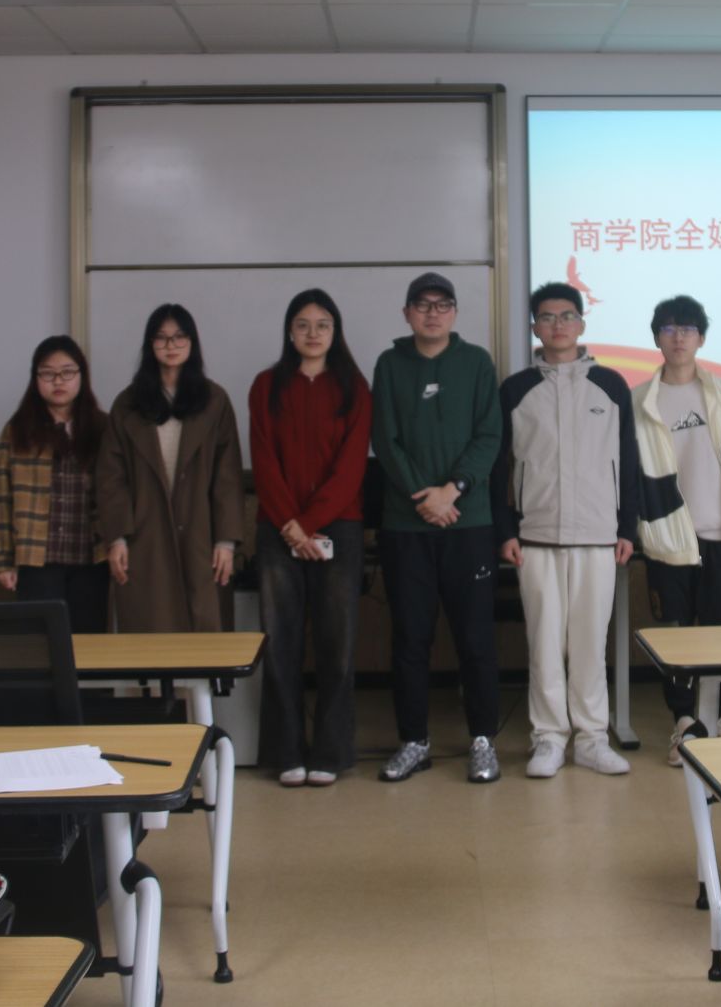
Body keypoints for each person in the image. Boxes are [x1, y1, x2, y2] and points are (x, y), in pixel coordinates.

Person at [495, 282, 641, 780]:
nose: (557, 325)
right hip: (535, 536)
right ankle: (549, 738)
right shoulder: (516, 389)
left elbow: (629, 459)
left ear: (581, 323)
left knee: (589, 644)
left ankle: (592, 738)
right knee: (544, 643)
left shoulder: (611, 385)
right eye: (547, 317)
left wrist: (627, 527)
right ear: (534, 327)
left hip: (599, 534)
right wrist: (505, 529)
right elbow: (499, 465)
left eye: (566, 316)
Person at [370, 272, 504, 784]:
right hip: (407, 525)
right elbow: (385, 438)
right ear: (407, 313)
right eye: (422, 304)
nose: (432, 312)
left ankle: (483, 740)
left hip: (469, 522)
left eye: (442, 304)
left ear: (455, 312)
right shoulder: (389, 364)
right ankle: (414, 741)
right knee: (410, 637)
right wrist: (424, 497)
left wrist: (454, 490)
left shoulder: (476, 362)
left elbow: (490, 434)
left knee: (476, 638)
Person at [248, 290, 372, 789]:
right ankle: (286, 752)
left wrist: (311, 522)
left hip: (339, 526)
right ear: (289, 331)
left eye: (323, 324)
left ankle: (331, 752)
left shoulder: (354, 387)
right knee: (280, 644)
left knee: (336, 644)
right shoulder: (266, 385)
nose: (313, 333)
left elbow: (352, 466)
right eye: (303, 324)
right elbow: (263, 458)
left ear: (335, 331)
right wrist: (291, 525)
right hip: (278, 529)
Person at [632, 294, 721, 765]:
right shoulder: (640, 400)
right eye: (668, 328)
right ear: (657, 338)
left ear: (701, 338)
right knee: (676, 635)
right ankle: (684, 722)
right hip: (669, 538)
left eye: (687, 329)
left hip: (720, 532)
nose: (678, 337)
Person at [96, 305, 245, 633]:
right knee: (151, 629)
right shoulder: (128, 403)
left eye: (179, 337)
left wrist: (226, 541)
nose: (171, 345)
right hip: (145, 535)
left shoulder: (214, 400)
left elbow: (228, 476)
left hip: (201, 533)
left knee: (204, 629)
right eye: (161, 338)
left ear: (192, 342)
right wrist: (117, 537)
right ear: (150, 344)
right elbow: (111, 478)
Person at [0, 336, 112, 632]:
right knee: (41, 642)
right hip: (37, 558)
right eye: (47, 373)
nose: (58, 381)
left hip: (91, 556)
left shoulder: (103, 427)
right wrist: (1, 559)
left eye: (67, 372)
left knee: (90, 644)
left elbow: (118, 490)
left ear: (82, 376)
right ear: (35, 378)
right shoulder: (17, 430)